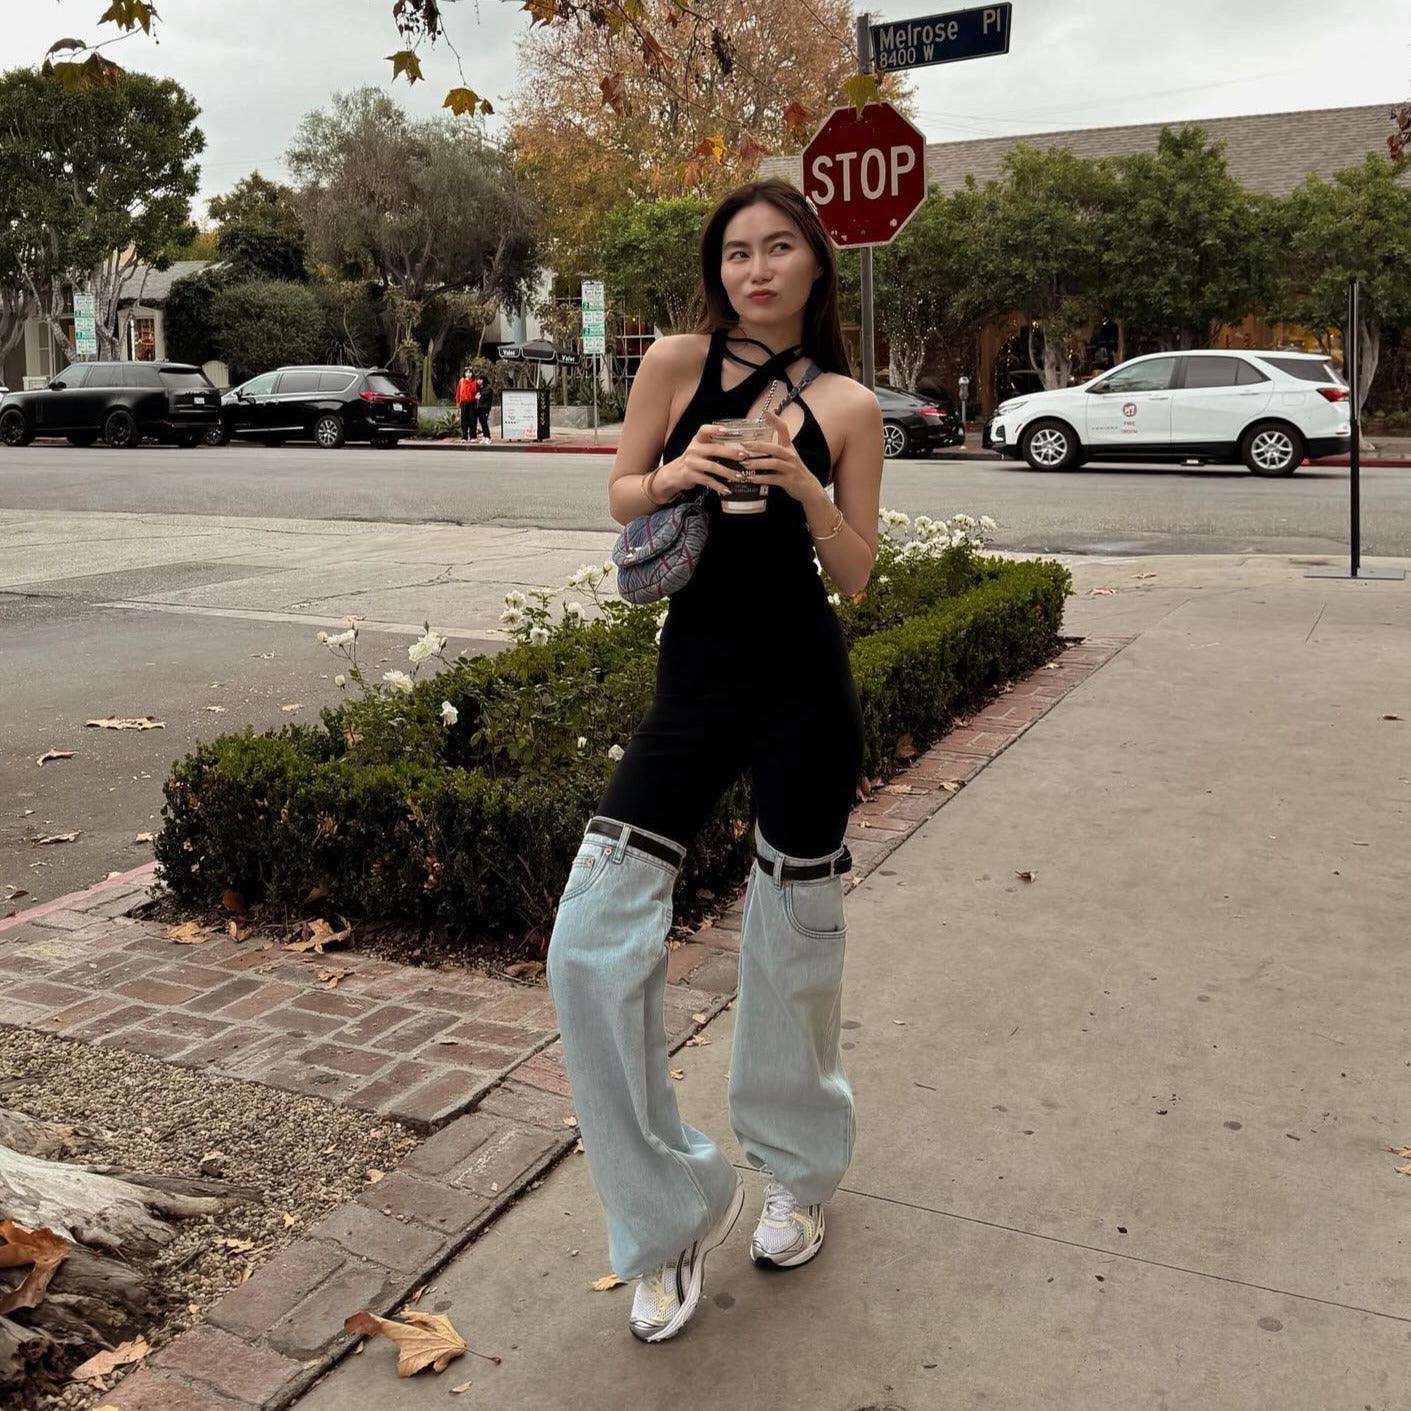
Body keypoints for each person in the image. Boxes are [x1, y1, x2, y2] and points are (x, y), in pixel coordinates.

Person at [546, 177, 884, 1344]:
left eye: (777, 247)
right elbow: (620, 494)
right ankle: (669, 1211)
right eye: (736, 250)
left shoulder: (847, 403)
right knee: (588, 940)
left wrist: (800, 484)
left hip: (804, 694)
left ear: (815, 266)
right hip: (691, 689)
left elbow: (856, 574)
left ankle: (797, 1166)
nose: (755, 268)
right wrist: (679, 474)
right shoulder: (675, 366)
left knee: (794, 945)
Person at [454, 367, 479, 443]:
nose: (468, 374)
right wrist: (458, 402)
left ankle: (473, 437)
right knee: (464, 420)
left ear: (472, 373)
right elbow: (458, 392)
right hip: (464, 403)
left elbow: (476, 391)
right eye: (467, 372)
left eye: (470, 372)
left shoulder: (474, 382)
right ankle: (464, 437)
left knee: (472, 420)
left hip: (472, 403)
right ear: (464, 373)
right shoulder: (461, 381)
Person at [474, 372, 493, 442]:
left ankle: (488, 437)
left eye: (480, 379)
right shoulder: (478, 388)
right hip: (479, 408)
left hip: (485, 408)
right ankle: (484, 436)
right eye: (477, 379)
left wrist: (480, 397)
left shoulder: (488, 388)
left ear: (484, 380)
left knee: (484, 422)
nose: (479, 381)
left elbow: (487, 399)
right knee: (482, 422)